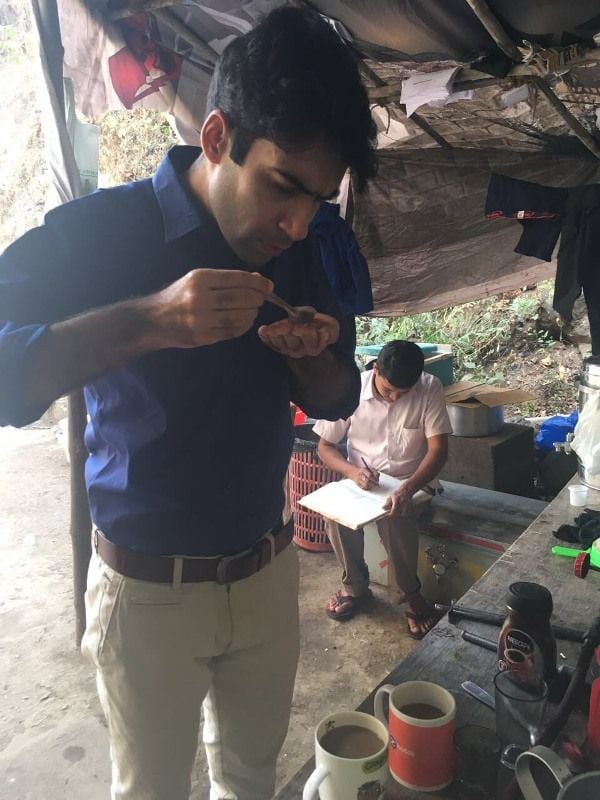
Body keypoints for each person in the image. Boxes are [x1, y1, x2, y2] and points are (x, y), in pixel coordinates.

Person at [0, 7, 377, 799]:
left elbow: (341, 389)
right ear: (216, 139)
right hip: (146, 595)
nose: (299, 222)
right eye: (283, 187)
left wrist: (314, 366)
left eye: (319, 199)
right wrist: (151, 320)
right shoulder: (108, 233)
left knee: (250, 779)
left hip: (269, 573)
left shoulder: (300, 245)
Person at [313, 340, 452, 639]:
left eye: (403, 393)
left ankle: (410, 595)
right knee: (335, 515)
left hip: (412, 482)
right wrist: (353, 472)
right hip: (361, 482)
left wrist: (407, 488)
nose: (395, 398)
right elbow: (325, 447)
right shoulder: (350, 391)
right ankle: (354, 587)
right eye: (389, 390)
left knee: (396, 512)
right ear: (375, 369)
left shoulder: (430, 387)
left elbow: (438, 451)